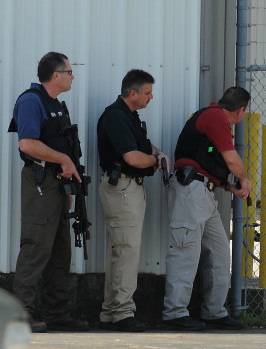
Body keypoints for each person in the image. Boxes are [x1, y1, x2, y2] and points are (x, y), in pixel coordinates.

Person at [9, 52, 89, 332]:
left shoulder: (55, 104)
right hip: (41, 182)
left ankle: (57, 313)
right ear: (56, 75)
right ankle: (20, 315)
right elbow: (27, 144)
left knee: (59, 251)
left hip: (56, 185)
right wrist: (63, 160)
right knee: (36, 247)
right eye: (69, 71)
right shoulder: (32, 101)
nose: (72, 76)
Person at [162, 86, 251, 331]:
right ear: (241, 110)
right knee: (185, 252)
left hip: (204, 193)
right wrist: (244, 180)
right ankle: (175, 313)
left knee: (220, 253)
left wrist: (228, 185)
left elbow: (207, 160)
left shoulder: (213, 117)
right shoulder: (215, 117)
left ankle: (214, 312)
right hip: (191, 192)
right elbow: (231, 159)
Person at [97, 69, 170, 332]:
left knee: (121, 251)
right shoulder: (116, 117)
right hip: (123, 189)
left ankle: (111, 312)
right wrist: (156, 161)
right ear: (133, 93)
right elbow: (133, 157)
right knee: (126, 251)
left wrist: (157, 153)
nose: (151, 97)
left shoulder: (130, 116)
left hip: (129, 189)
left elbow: (143, 147)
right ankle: (122, 313)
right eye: (148, 93)